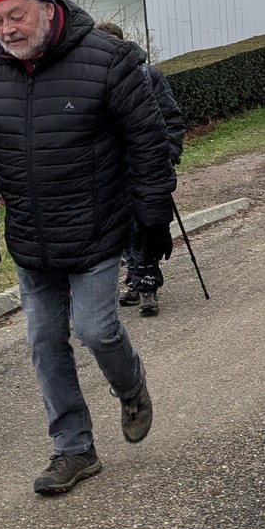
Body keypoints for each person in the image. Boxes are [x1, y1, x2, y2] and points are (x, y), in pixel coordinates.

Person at [0, 0, 176, 495]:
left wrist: (153, 217)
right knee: (44, 340)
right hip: (31, 235)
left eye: (17, 15)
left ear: (48, 8)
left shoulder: (107, 58)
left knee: (96, 329)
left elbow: (148, 143)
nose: (7, 29)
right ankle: (73, 447)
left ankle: (131, 386)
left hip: (97, 227)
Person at [94, 20, 185, 317]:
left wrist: (168, 154)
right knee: (122, 227)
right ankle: (135, 278)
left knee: (146, 225)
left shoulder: (148, 74)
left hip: (145, 166)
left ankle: (147, 284)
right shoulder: (93, 80)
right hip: (109, 170)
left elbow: (171, 117)